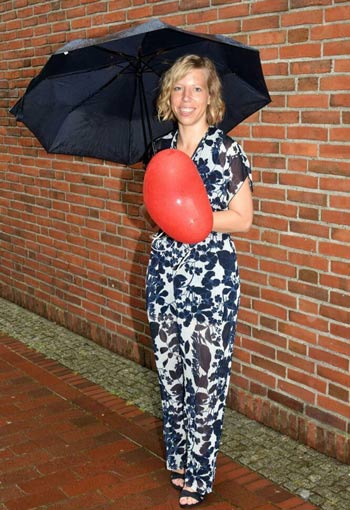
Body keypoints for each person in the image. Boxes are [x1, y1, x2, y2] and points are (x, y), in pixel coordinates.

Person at [144, 54, 253, 508]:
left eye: (196, 89)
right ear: (169, 97)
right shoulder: (161, 149)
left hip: (210, 284)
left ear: (211, 99)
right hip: (163, 276)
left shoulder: (226, 150)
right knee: (171, 376)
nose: (186, 97)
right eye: (178, 88)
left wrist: (195, 220)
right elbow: (154, 206)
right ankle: (180, 455)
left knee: (205, 381)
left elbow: (243, 219)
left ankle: (201, 473)